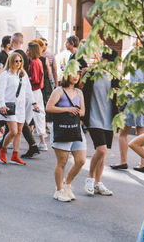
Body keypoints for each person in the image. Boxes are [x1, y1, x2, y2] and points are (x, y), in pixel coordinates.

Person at [82, 50, 119, 196]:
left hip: (109, 118)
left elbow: (118, 98)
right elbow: (84, 94)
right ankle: (90, 179)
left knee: (103, 153)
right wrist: (82, 117)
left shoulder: (114, 76)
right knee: (101, 149)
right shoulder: (91, 74)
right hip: (94, 118)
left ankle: (98, 182)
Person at [46, 72, 86, 202]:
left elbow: (83, 112)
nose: (76, 77)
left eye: (78, 75)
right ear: (67, 75)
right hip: (62, 128)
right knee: (62, 161)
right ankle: (58, 190)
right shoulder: (59, 90)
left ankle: (67, 184)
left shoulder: (79, 92)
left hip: (75, 129)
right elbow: (49, 107)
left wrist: (74, 111)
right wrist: (67, 109)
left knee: (81, 161)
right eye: (73, 74)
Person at [112, 67, 144, 171]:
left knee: (123, 134)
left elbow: (135, 89)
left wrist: (124, 93)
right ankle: (142, 164)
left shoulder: (137, 69)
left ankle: (123, 161)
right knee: (142, 136)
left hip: (134, 105)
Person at [0, 52, 35, 166]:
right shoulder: (5, 74)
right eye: (16, 61)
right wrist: (2, 104)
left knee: (19, 132)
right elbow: (1, 92)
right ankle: (3, 149)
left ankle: (15, 155)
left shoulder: (23, 74)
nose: (18, 63)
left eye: (20, 61)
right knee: (13, 131)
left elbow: (28, 90)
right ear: (11, 61)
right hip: (9, 105)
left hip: (21, 106)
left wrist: (34, 102)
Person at [27, 41, 48, 149]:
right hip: (37, 91)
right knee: (39, 115)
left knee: (26, 116)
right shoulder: (38, 61)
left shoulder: (34, 62)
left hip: (33, 91)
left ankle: (12, 138)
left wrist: (25, 79)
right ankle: (42, 141)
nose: (26, 51)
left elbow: (34, 79)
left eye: (28, 49)